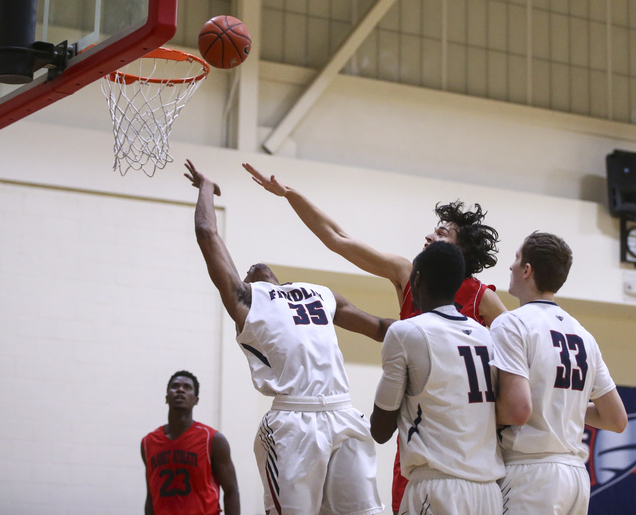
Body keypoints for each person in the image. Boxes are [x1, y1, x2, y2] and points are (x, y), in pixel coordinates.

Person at [242, 162, 507, 511]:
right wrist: (290, 194)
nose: (429, 236)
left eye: (441, 233)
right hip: (420, 436)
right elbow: (338, 239)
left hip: (470, 440)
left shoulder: (482, 298)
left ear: (460, 252)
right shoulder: (407, 273)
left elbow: (517, 358)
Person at [184, 159, 392, 515]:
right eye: (246, 270)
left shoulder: (319, 292)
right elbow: (207, 232)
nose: (252, 266)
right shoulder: (246, 301)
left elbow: (379, 329)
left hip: (343, 412)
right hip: (294, 422)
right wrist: (206, 187)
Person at [490, 231, 628, 514]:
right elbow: (616, 419)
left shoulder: (512, 324)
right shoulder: (584, 335)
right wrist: (562, 406)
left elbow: (517, 411)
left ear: (527, 270)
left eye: (516, 258)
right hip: (576, 478)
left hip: (531, 474)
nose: (511, 266)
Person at [371, 241, 505, 515]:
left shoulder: (407, 331)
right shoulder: (488, 336)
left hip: (437, 488)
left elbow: (380, 430)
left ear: (417, 278)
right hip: (489, 491)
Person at [141, 370, 240, 515]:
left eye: (187, 387)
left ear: (196, 400)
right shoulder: (148, 442)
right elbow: (151, 496)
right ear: (167, 397)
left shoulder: (213, 440)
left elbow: (231, 491)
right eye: (175, 386)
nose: (180, 389)